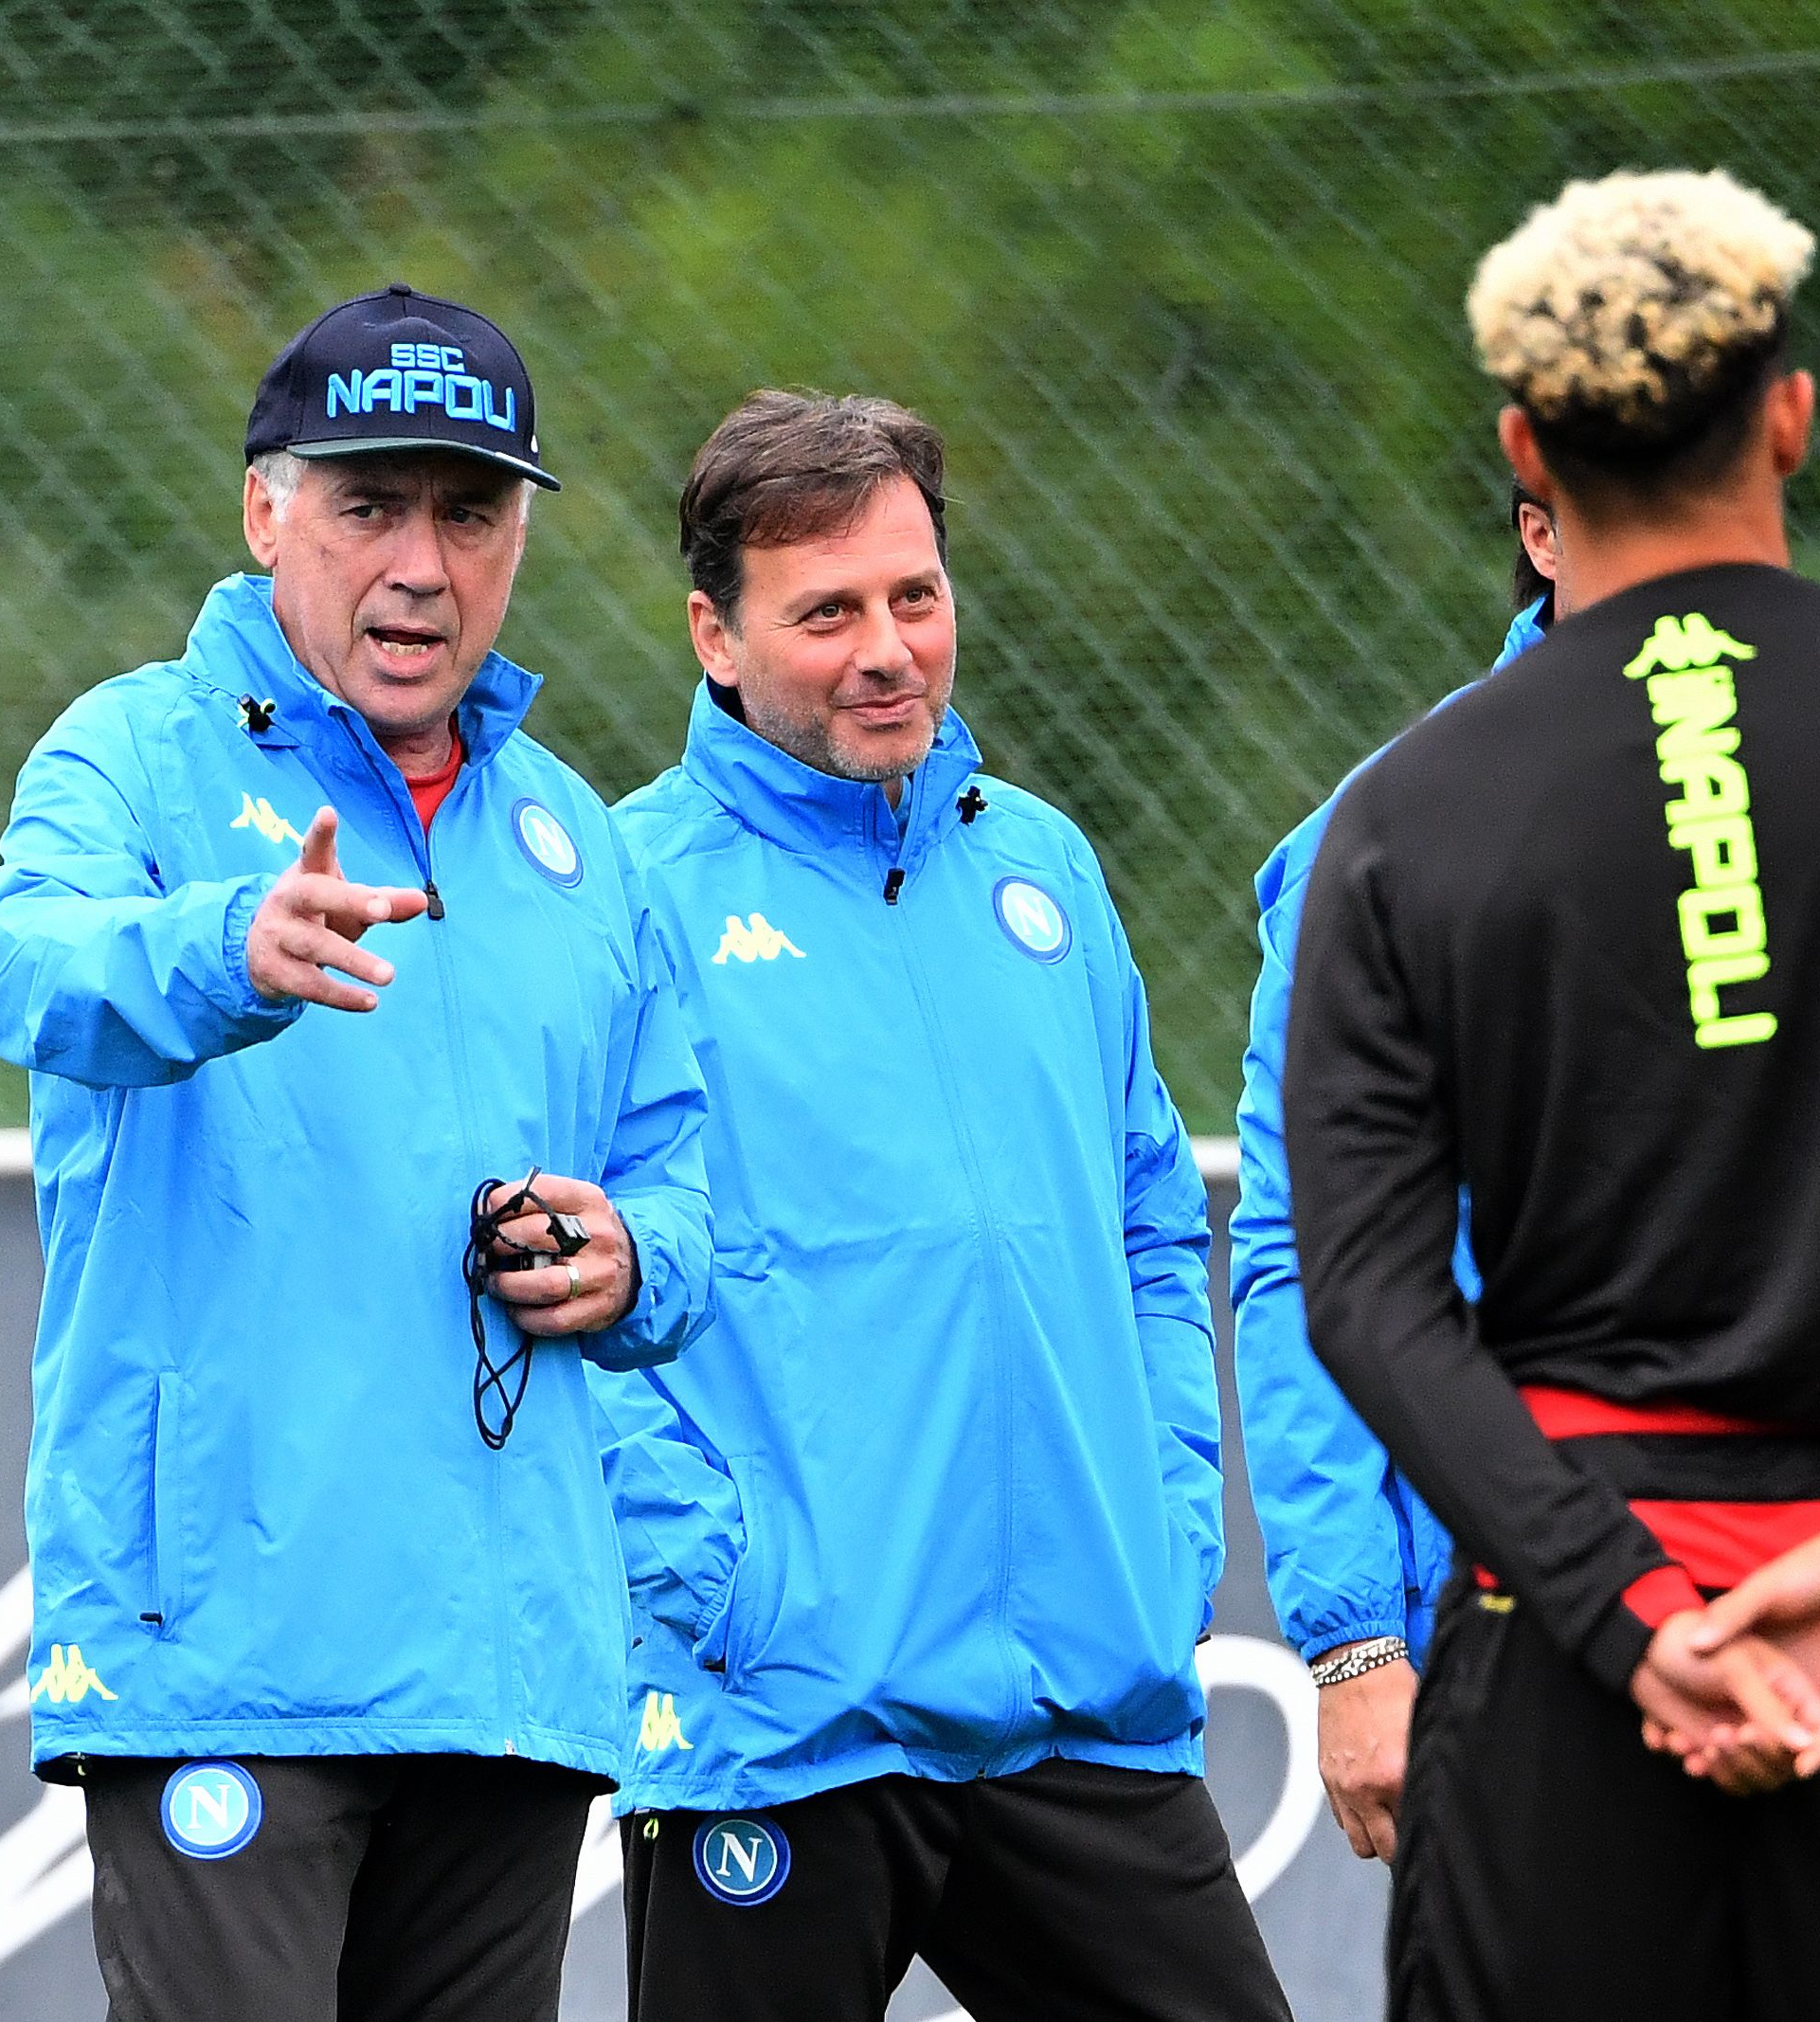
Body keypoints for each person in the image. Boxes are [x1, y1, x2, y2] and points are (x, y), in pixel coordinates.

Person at [1287, 167, 1820, 2020]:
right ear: (1789, 415)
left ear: (1524, 447)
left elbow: (1366, 1292)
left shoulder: (1403, 817)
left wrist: (1626, 1615)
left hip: (1563, 1660)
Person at [0, 282, 713, 2022]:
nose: (423, 565)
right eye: (371, 505)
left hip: (508, 1672)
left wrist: (629, 1257)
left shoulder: (576, 838)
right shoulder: (132, 750)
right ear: (265, 511)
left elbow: (681, 1185)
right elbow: (23, 964)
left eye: (472, 512)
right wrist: (227, 946)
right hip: (225, 1648)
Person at [596, 390, 1289, 2022]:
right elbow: (555, 1287)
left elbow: (1148, 1223)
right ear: (715, 634)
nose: (889, 650)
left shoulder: (1045, 867)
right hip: (783, 1716)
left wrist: (1166, 1525)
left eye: (915, 595)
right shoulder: (625, 898)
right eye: (827, 612)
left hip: (1082, 1696)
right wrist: (721, 1581)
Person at [1229, 483, 1558, 1865]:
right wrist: (1356, 1641)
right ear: (1540, 528)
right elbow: (1303, 1246)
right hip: (1512, 1625)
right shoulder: (1381, 840)